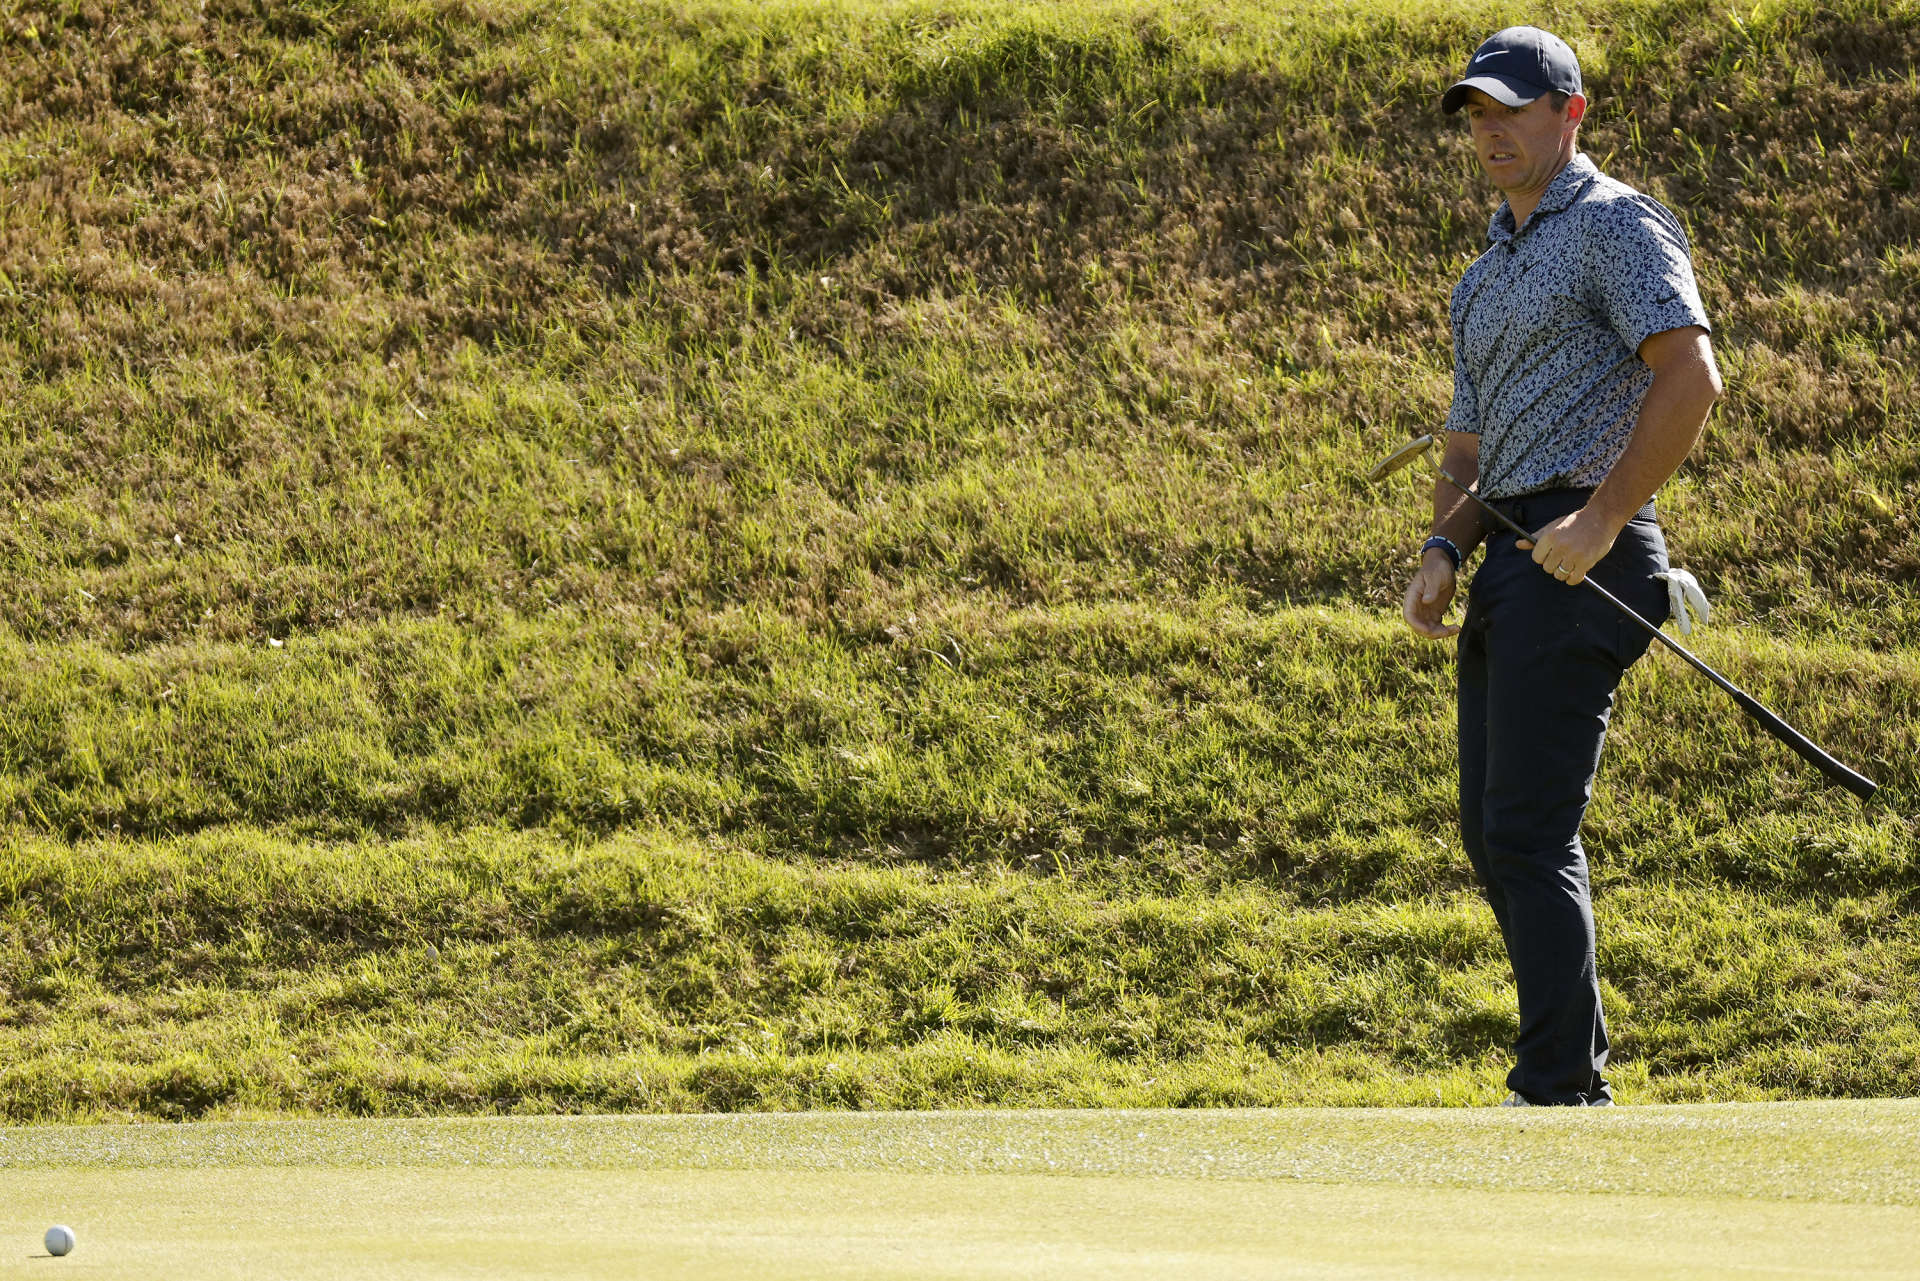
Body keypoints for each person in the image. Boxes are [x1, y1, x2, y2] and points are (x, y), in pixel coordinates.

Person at [1401, 26, 1724, 1106]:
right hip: (1509, 560)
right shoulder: (1483, 274)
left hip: (1587, 558)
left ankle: (1555, 1090)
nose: (1491, 131)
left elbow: (1691, 378)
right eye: (1477, 115)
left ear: (1569, 112)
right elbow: (1466, 446)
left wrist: (1600, 518)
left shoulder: (1616, 226)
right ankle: (1568, 1077)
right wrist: (1444, 546)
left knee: (1529, 830)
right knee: (1496, 839)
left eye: (1512, 110)